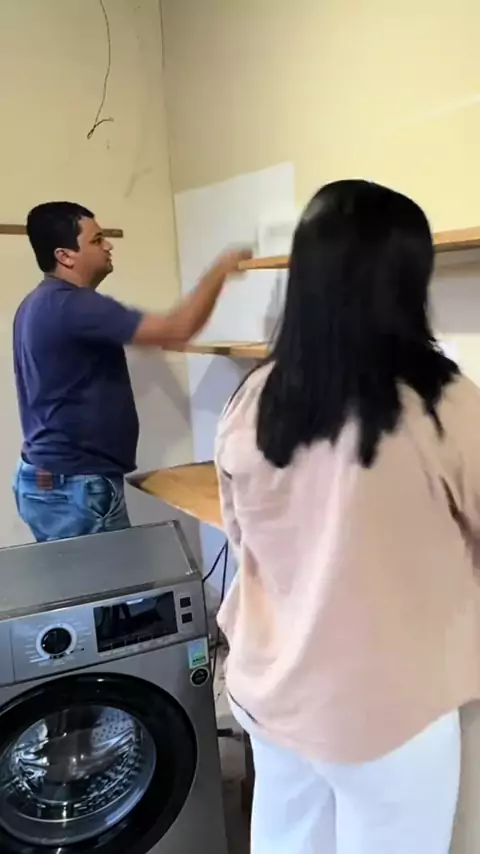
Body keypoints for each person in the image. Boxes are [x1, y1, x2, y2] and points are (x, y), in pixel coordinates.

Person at [214, 180, 480, 854]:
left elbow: (242, 538)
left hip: (271, 691)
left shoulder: (251, 398)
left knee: (286, 840)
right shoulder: (443, 402)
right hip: (388, 711)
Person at [13, 201, 250, 542]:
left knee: (79, 575)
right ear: (65, 256)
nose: (108, 246)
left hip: (49, 480)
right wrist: (222, 268)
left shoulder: (37, 303)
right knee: (105, 576)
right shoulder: (75, 306)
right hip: (76, 486)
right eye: (96, 240)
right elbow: (176, 330)